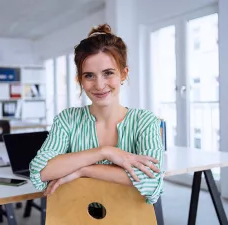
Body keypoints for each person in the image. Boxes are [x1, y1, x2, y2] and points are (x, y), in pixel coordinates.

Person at [29, 23, 164, 205]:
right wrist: (105, 152)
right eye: (89, 75)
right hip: (75, 216)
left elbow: (152, 179)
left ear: (123, 74)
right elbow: (41, 171)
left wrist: (84, 170)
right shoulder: (67, 119)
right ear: (80, 79)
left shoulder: (145, 121)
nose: (99, 85)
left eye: (108, 73)